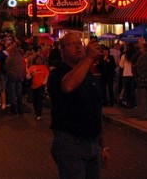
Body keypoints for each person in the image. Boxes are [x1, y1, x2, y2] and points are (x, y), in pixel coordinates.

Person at [48, 34, 109, 179]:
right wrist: (88, 59)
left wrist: (103, 146)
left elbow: (96, 111)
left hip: (92, 143)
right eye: (72, 44)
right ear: (61, 50)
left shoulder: (89, 76)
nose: (78, 47)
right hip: (71, 143)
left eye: (79, 43)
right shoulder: (57, 74)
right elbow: (68, 86)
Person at [133, 41, 147, 120]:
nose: (140, 49)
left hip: (143, 78)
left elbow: (137, 67)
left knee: (143, 97)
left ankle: (144, 115)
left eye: (141, 48)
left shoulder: (143, 56)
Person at [26, 55, 50, 120]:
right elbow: (28, 76)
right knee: (34, 100)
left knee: (39, 100)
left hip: (40, 86)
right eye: (37, 59)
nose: (39, 61)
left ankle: (39, 114)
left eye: (40, 59)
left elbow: (47, 75)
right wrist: (30, 75)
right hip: (33, 86)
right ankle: (36, 113)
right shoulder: (32, 67)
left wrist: (44, 83)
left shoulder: (44, 67)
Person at [4, 44, 26, 115]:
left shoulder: (10, 58)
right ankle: (20, 108)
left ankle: (14, 109)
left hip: (12, 76)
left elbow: (6, 67)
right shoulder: (20, 56)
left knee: (12, 93)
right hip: (19, 76)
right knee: (19, 93)